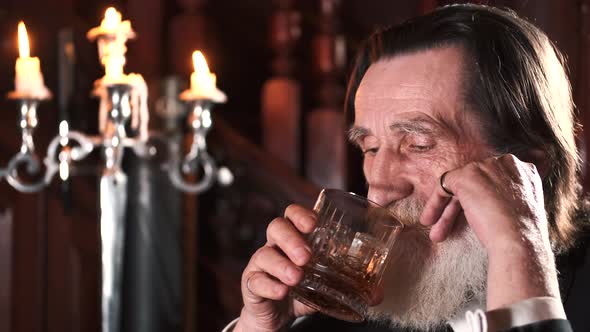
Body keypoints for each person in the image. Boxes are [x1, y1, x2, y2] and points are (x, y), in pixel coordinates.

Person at [224, 4, 590, 332]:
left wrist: (518, 249)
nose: (380, 188)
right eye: (370, 148)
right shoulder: (343, 309)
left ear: (528, 167)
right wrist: (257, 327)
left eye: (418, 144)